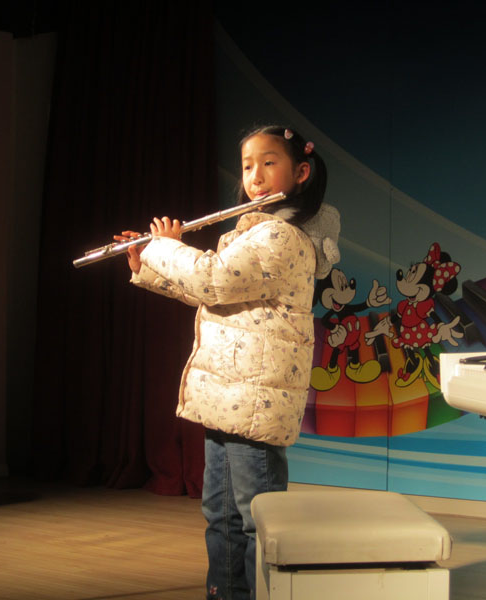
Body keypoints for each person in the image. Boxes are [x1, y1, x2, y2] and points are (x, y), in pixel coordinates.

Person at [116, 125, 339, 600]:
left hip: (255, 399)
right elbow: (214, 297)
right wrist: (146, 266)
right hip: (229, 397)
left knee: (258, 520)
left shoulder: (282, 236)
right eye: (247, 165)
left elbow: (213, 280)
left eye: (269, 163)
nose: (255, 176)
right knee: (220, 515)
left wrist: (166, 246)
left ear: (301, 172)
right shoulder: (252, 232)